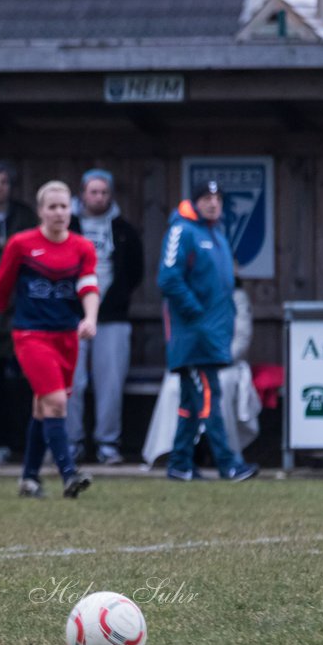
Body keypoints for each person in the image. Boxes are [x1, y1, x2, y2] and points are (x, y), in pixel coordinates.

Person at [0, 180, 98, 498]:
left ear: (71, 210)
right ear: (40, 211)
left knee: (43, 407)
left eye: (64, 207)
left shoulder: (83, 247)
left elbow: (88, 287)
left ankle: (29, 478)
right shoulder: (22, 244)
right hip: (31, 336)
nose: (58, 213)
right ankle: (68, 473)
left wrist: (90, 318)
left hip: (67, 337)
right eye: (52, 207)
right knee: (56, 401)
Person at [156, 180, 259, 483]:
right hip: (193, 337)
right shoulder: (182, 231)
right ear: (195, 201)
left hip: (213, 336)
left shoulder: (216, 235)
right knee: (210, 398)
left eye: (217, 198)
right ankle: (229, 464)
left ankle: (179, 464)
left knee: (191, 403)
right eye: (206, 198)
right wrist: (196, 316)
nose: (213, 203)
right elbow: (169, 279)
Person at [65, 169, 144, 465]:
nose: (98, 197)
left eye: (104, 192)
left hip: (112, 316)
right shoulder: (67, 226)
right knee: (72, 382)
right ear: (82, 193)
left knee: (110, 383)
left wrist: (112, 300)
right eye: (93, 192)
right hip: (71, 316)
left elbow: (134, 272)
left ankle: (108, 443)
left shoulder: (124, 231)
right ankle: (71, 442)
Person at [141, 277, 261, 466]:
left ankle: (223, 455)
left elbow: (241, 339)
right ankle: (178, 454)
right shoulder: (185, 295)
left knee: (217, 389)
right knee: (174, 387)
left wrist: (216, 359)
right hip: (192, 362)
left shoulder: (236, 297)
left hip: (225, 365)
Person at [0, 161, 38, 466]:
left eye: (4, 182)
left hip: (22, 309)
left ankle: (28, 442)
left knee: (28, 381)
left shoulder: (25, 216)